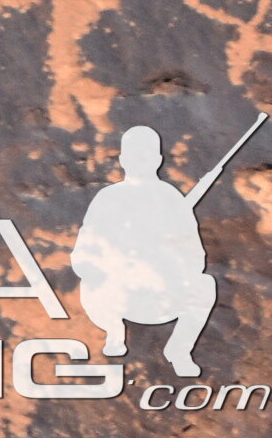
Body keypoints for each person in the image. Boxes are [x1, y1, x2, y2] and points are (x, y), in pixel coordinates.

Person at [78, 125, 222, 377]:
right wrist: (115, 263)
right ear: (123, 159)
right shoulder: (107, 198)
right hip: (118, 294)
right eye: (134, 155)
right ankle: (113, 332)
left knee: (205, 285)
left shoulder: (171, 198)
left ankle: (179, 349)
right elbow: (84, 253)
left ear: (158, 159)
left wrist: (165, 260)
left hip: (162, 296)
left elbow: (195, 255)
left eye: (145, 155)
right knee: (89, 285)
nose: (139, 161)